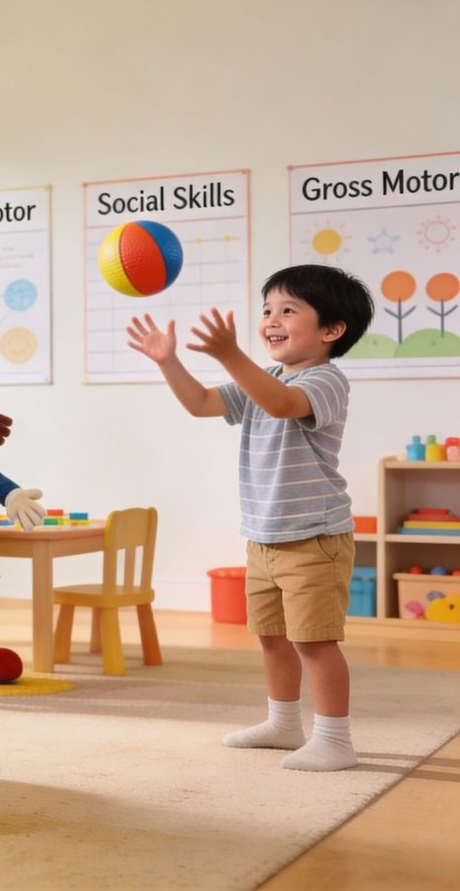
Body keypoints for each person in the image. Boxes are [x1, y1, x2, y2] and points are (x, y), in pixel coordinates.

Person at [127, 264, 375, 771]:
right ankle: (284, 723)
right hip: (263, 536)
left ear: (332, 330)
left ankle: (335, 739)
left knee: (314, 642)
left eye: (288, 310)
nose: (271, 320)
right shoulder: (267, 379)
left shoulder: (326, 380)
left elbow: (283, 405)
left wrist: (230, 354)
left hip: (315, 537)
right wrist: (168, 362)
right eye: (267, 310)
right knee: (271, 637)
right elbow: (199, 403)